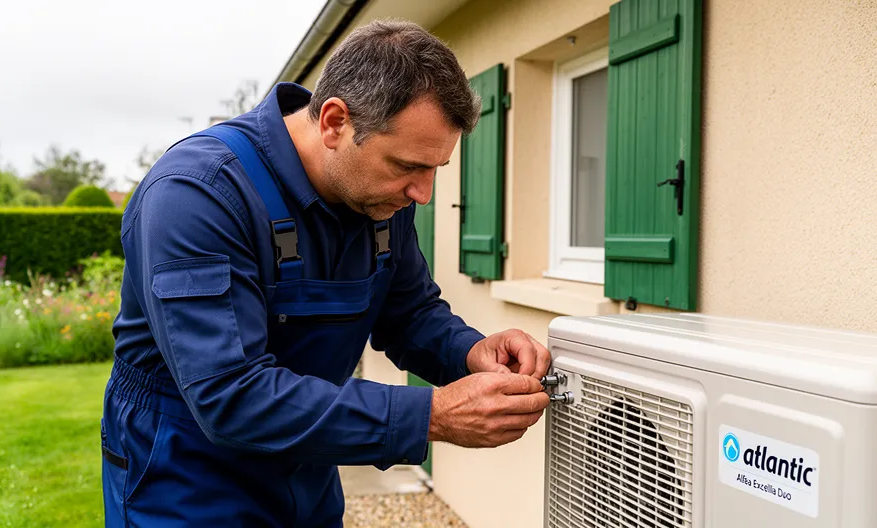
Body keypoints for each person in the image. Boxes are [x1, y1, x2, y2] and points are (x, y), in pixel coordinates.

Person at [100, 19, 551, 527]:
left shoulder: (380, 195)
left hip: (306, 472)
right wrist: (431, 415)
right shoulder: (198, 195)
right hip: (184, 478)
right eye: (407, 166)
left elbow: (410, 312)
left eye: (435, 169)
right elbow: (229, 395)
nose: (422, 193)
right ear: (335, 122)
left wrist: (470, 351)